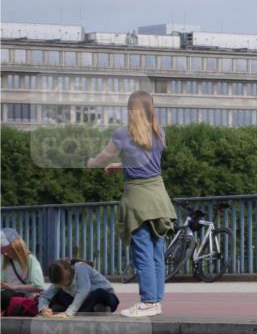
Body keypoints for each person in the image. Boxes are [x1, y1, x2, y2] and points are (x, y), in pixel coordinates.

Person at [86, 90, 174, 318]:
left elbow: (103, 157)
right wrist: (120, 166)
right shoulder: (158, 132)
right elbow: (144, 163)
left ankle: (146, 301)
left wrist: (91, 163)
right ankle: (155, 302)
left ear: (130, 110)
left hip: (138, 198)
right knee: (156, 252)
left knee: (142, 251)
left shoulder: (122, 134)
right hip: (159, 195)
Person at [38, 259, 119, 317]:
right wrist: (43, 309)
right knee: (59, 294)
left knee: (98, 293)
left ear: (68, 272)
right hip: (84, 304)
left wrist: (68, 313)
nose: (64, 286)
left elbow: (83, 291)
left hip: (107, 298)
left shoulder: (80, 268)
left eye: (65, 283)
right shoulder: (58, 281)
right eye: (60, 285)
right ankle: (94, 310)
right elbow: (45, 296)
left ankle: (79, 311)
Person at [1, 228, 45, 316]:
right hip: (8, 296)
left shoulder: (30, 260)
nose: (1, 251)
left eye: (3, 247)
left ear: (14, 246)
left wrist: (13, 287)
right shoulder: (5, 260)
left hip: (23, 299)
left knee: (6, 295)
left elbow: (39, 286)